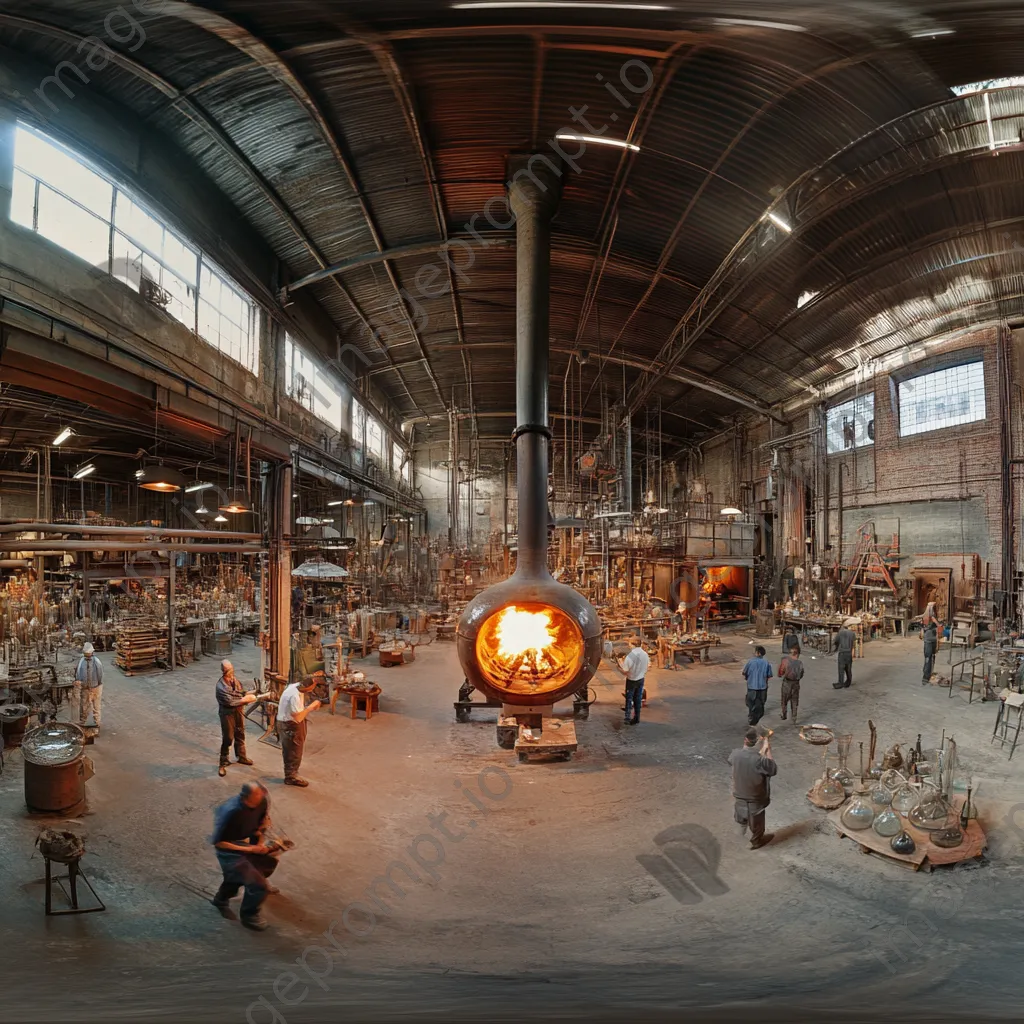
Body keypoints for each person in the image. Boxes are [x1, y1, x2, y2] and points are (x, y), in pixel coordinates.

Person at [211, 781, 279, 931]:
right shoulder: (230, 813)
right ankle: (250, 916)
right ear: (246, 796)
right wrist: (251, 849)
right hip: (229, 849)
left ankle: (221, 899)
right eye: (258, 795)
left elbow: (262, 822)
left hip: (248, 843)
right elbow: (219, 843)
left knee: (265, 863)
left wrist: (260, 840)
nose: (263, 797)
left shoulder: (261, 801)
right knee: (258, 885)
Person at [728, 727, 778, 850]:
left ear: (745, 740)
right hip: (755, 797)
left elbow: (733, 761)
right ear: (759, 742)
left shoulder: (735, 754)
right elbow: (773, 769)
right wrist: (768, 751)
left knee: (741, 813)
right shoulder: (760, 760)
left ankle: (741, 827)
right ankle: (756, 841)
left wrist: (760, 751)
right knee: (757, 821)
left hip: (739, 793)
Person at [277, 676, 322, 786]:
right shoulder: (294, 696)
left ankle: (292, 773)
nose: (311, 691)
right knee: (293, 751)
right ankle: (291, 777)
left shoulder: (296, 685)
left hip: (290, 723)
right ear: (306, 688)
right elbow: (297, 718)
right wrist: (310, 707)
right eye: (311, 689)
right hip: (290, 725)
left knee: (294, 749)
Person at [216, 659, 258, 777]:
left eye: (232, 669)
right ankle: (223, 761)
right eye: (229, 670)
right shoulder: (220, 686)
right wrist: (246, 700)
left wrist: (252, 692)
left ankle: (241, 756)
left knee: (240, 733)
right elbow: (230, 702)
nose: (231, 672)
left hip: (238, 711)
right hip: (227, 713)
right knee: (228, 737)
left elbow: (240, 692)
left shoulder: (235, 680)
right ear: (224, 671)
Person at [617, 636, 649, 725]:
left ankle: (627, 718)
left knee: (629, 698)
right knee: (638, 699)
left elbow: (625, 671)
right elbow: (646, 667)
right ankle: (637, 717)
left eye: (630, 643)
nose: (629, 645)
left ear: (633, 644)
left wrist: (618, 666)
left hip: (631, 680)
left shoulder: (631, 656)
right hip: (641, 679)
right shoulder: (645, 654)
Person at [73, 642, 104, 734]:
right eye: (86, 654)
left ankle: (97, 724)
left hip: (96, 687)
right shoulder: (82, 661)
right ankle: (82, 723)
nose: (87, 656)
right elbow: (78, 673)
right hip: (85, 687)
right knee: (84, 706)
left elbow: (100, 675)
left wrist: (97, 686)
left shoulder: (96, 661)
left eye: (88, 654)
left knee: (96, 707)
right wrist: (79, 682)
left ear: (92, 653)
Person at [742, 645, 773, 725]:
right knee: (761, 704)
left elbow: (744, 672)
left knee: (751, 704)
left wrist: (748, 678)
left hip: (751, 687)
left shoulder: (750, 662)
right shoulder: (766, 663)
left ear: (758, 653)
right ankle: (757, 720)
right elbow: (769, 675)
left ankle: (751, 717)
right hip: (762, 688)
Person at [778, 645, 805, 722]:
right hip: (796, 683)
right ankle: (794, 717)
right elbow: (802, 674)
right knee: (794, 701)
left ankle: (784, 714)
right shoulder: (800, 663)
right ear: (797, 654)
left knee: (784, 700)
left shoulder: (785, 661)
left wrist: (781, 674)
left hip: (787, 682)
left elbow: (781, 672)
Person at [922, 603, 942, 685]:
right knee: (928, 658)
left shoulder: (927, 617)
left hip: (932, 640)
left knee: (931, 657)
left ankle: (929, 673)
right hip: (929, 641)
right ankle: (926, 677)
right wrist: (937, 623)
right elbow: (939, 626)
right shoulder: (928, 618)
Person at [834, 624, 855, 689]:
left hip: (842, 652)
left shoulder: (840, 633)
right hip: (849, 653)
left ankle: (840, 683)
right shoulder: (852, 633)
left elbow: (835, 641)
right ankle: (848, 681)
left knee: (841, 668)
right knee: (848, 668)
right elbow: (853, 642)